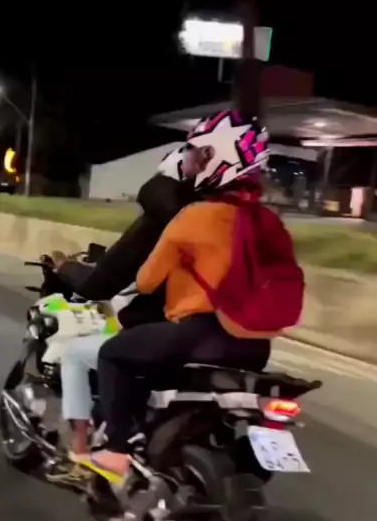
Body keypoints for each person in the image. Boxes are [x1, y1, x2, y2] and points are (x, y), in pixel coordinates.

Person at [81, 109, 295, 481]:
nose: (191, 162)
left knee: (113, 354)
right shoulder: (269, 223)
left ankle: (116, 449)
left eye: (197, 153)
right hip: (256, 346)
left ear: (218, 158)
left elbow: (147, 281)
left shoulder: (195, 216)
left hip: (199, 336)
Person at [46, 145, 213, 480]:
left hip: (175, 330)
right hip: (235, 338)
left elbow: (135, 276)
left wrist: (70, 271)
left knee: (80, 353)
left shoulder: (173, 227)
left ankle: (85, 453)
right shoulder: (239, 224)